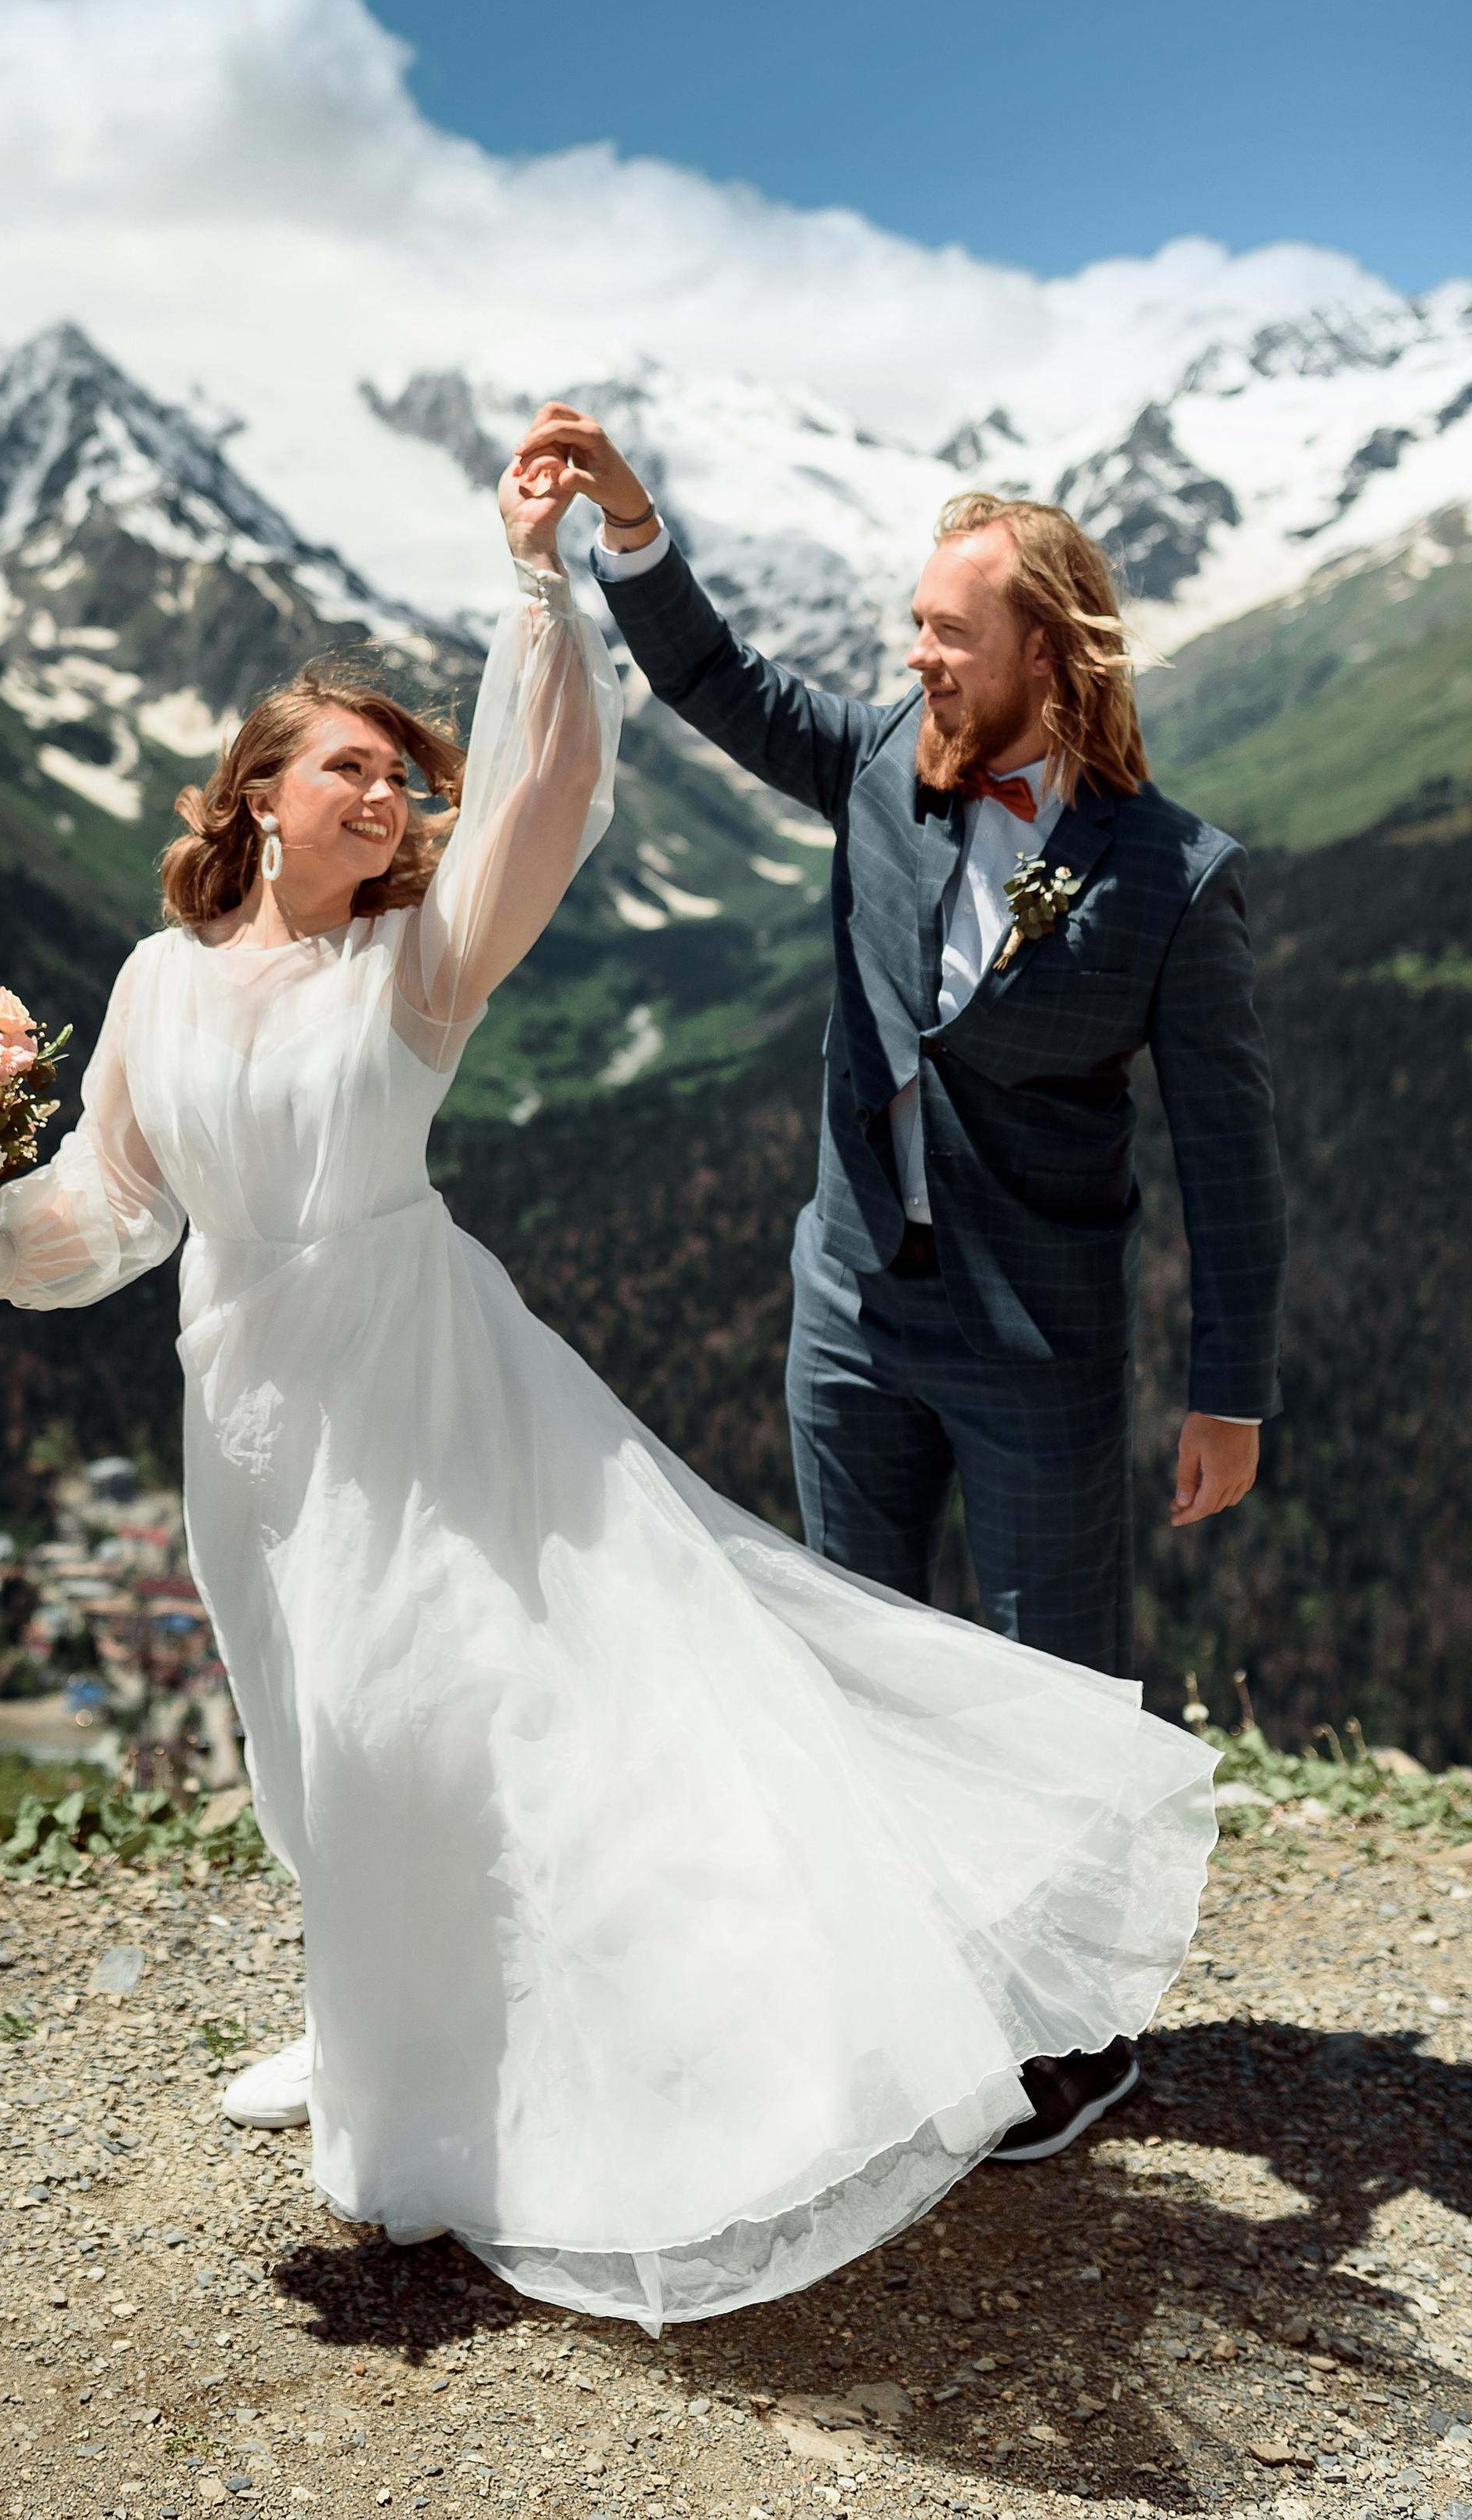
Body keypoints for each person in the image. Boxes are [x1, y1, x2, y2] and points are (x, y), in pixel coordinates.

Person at [0, 452, 1218, 2329]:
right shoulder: (154, 982)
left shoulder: (418, 965)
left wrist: (541, 589)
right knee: (314, 1734)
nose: (388, 793)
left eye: (401, 777)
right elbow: (108, 1212)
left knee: (447, 1715)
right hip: (247, 1400)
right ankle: (377, 2022)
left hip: (417, 1368)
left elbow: (554, 785)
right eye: (346, 766)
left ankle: (490, 2084)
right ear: (257, 795)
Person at [509, 402, 1285, 2162]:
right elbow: (710, 677)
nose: (916, 656)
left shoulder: (1177, 882)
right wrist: (628, 521)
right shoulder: (871, 762)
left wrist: (1229, 1394)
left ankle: (1073, 2039)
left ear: (1045, 654)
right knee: (849, 1672)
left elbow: (1233, 1166)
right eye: (912, 629)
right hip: (848, 1312)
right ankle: (894, 2002)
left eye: (948, 632)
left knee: (1045, 1697)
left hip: (1037, 1347)